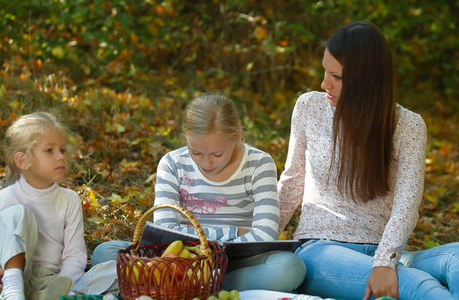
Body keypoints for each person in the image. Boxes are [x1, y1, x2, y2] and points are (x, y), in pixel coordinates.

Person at [278, 20, 459, 300]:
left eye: (337, 76)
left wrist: (385, 260)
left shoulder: (407, 126)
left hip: (384, 252)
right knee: (417, 287)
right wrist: (254, 243)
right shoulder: (309, 107)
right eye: (324, 71)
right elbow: (291, 182)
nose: (324, 83)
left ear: (366, 80)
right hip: (320, 251)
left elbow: (407, 202)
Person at [92, 92, 306, 292]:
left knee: (289, 267)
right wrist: (235, 232)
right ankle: (204, 285)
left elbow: (265, 234)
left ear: (237, 136)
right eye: (196, 152)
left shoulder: (259, 163)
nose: (207, 163)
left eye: (217, 154)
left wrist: (202, 238)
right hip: (177, 259)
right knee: (106, 252)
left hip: (233, 262)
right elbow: (165, 229)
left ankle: (175, 285)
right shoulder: (172, 163)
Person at [0, 112, 119, 300]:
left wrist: (64, 281)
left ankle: (58, 295)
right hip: (6, 279)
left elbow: (75, 253)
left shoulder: (69, 199)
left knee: (116, 269)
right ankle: (14, 293)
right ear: (23, 161)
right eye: (49, 150)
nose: (60, 157)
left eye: (62, 150)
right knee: (19, 214)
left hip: (50, 280)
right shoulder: (6, 197)